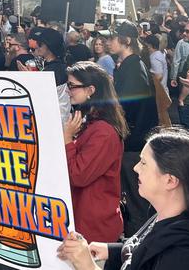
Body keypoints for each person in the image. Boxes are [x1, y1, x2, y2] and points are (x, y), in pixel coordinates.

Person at [58, 126, 189, 270]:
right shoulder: (165, 216)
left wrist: (89, 267)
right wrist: (112, 251)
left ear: (170, 181)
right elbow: (145, 248)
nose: (135, 168)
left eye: (144, 163)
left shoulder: (186, 255)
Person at [63, 61, 128, 242]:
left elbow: (78, 175)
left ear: (91, 90)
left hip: (94, 229)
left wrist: (68, 139)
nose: (68, 90)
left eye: (72, 86)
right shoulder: (89, 121)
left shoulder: (103, 132)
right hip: (83, 221)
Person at [109, 22, 158, 236]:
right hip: (132, 140)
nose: (108, 42)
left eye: (112, 38)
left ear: (126, 41)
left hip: (133, 143)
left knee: (136, 194)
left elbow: (127, 108)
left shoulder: (134, 66)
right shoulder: (130, 65)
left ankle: (137, 242)